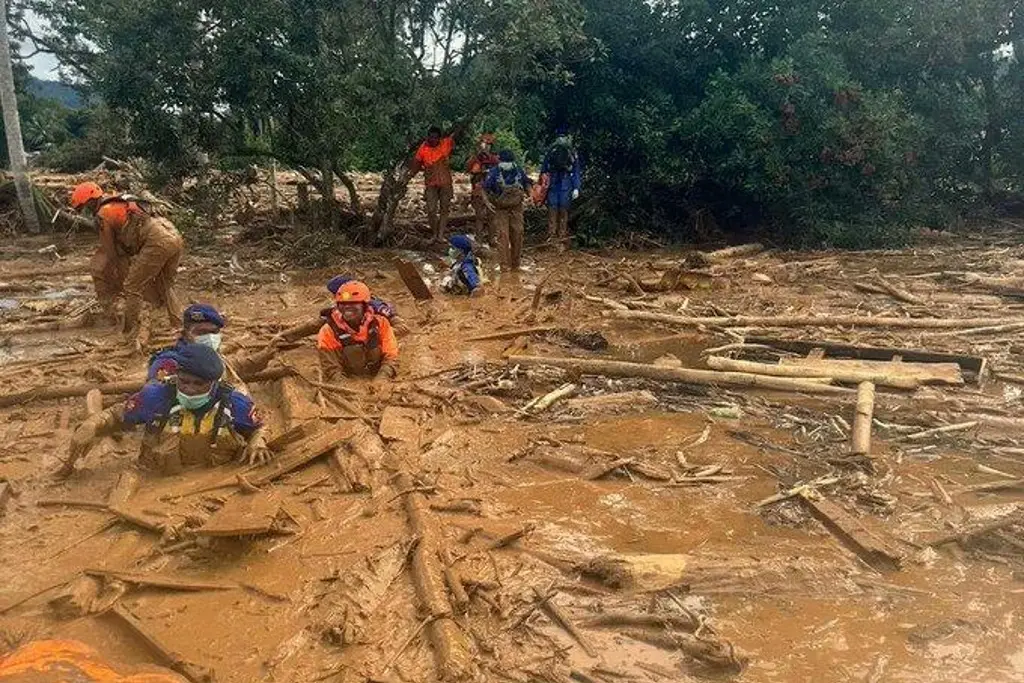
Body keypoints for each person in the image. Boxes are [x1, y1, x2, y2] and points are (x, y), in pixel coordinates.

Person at [60, 344, 271, 477]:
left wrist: (257, 442)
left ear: (214, 383)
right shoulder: (155, 396)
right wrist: (93, 424)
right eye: (184, 381)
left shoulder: (233, 402)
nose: (189, 389)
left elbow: (260, 426)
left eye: (199, 384)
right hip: (156, 474)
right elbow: (117, 415)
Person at [70, 182, 185, 339]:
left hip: (156, 241)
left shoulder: (104, 214)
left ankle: (129, 331)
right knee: (165, 283)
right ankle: (178, 325)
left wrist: (118, 276)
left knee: (132, 286)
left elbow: (111, 253)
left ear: (90, 201)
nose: (87, 211)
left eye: (85, 207)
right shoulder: (118, 200)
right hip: (173, 234)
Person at [147, 304, 273, 391]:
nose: (209, 338)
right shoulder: (170, 363)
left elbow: (233, 367)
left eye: (213, 332)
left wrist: (268, 353)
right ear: (185, 334)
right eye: (201, 333)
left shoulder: (212, 356)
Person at [317, 280, 399, 382]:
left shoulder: (381, 323)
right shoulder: (327, 331)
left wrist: (381, 380)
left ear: (365, 306)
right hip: (349, 376)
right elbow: (332, 370)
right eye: (342, 303)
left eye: (353, 302)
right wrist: (351, 391)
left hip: (378, 372)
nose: (347, 307)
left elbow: (391, 356)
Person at [484, 150, 532, 271]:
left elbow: (527, 183)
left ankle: (516, 264)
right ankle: (504, 266)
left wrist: (530, 196)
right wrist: (487, 202)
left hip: (517, 207)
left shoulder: (519, 171)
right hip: (500, 209)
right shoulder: (494, 172)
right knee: (502, 236)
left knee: (518, 233)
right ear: (499, 161)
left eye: (508, 162)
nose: (506, 164)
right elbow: (484, 188)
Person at [540, 126, 582, 248]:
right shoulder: (570, 151)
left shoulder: (551, 150)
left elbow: (543, 169)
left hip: (557, 183)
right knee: (561, 209)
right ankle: (557, 235)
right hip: (563, 183)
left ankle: (555, 235)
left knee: (556, 209)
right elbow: (576, 170)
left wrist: (576, 187)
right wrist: (576, 187)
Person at [413, 125, 457, 241]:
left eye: (436, 138)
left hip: (445, 183)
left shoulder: (445, 143)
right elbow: (416, 164)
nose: (433, 140)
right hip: (431, 184)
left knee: (444, 208)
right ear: (428, 137)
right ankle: (434, 233)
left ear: (439, 138)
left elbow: (458, 132)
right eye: (431, 137)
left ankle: (440, 235)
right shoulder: (422, 149)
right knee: (431, 210)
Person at [466, 133, 499, 243]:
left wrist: (487, 155)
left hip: (492, 190)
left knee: (492, 215)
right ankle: (479, 238)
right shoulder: (475, 158)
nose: (486, 146)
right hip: (478, 189)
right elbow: (468, 167)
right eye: (484, 144)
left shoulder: (495, 157)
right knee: (479, 215)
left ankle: (492, 238)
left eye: (488, 144)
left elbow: (497, 165)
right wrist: (477, 156)